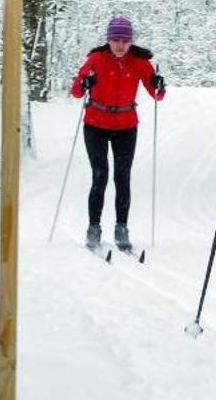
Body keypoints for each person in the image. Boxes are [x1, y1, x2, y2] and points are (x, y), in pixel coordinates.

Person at [68, 15, 166, 253]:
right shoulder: (96, 59)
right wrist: (84, 82)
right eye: (115, 40)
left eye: (124, 40)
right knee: (100, 175)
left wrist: (158, 84)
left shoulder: (140, 62)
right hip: (96, 124)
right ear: (108, 40)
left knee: (123, 178)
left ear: (131, 41)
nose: (120, 45)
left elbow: (157, 95)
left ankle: (121, 228)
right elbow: (76, 92)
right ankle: (94, 228)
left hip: (125, 125)